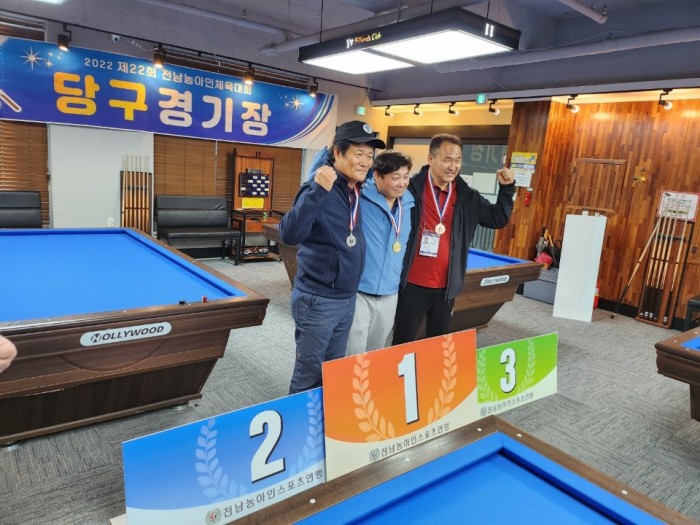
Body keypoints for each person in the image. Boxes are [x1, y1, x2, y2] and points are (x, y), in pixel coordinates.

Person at [280, 120, 385, 394]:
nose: (365, 162)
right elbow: (289, 234)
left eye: (369, 156)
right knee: (308, 375)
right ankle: (300, 420)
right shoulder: (319, 187)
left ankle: (324, 419)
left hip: (346, 298)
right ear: (337, 152)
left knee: (332, 370)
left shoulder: (355, 188)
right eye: (358, 154)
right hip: (318, 300)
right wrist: (317, 190)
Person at [392, 133, 516, 344]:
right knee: (403, 343)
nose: (453, 166)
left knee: (438, 344)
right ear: (431, 159)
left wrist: (507, 189)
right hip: (411, 284)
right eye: (447, 159)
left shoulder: (468, 196)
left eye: (457, 160)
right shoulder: (410, 190)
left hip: (446, 287)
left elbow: (497, 219)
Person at [345, 150, 415, 355]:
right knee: (352, 353)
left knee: (376, 353)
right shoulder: (358, 196)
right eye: (395, 177)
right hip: (359, 291)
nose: (402, 183)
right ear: (377, 176)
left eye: (406, 177)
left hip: (390, 293)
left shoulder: (409, 203)